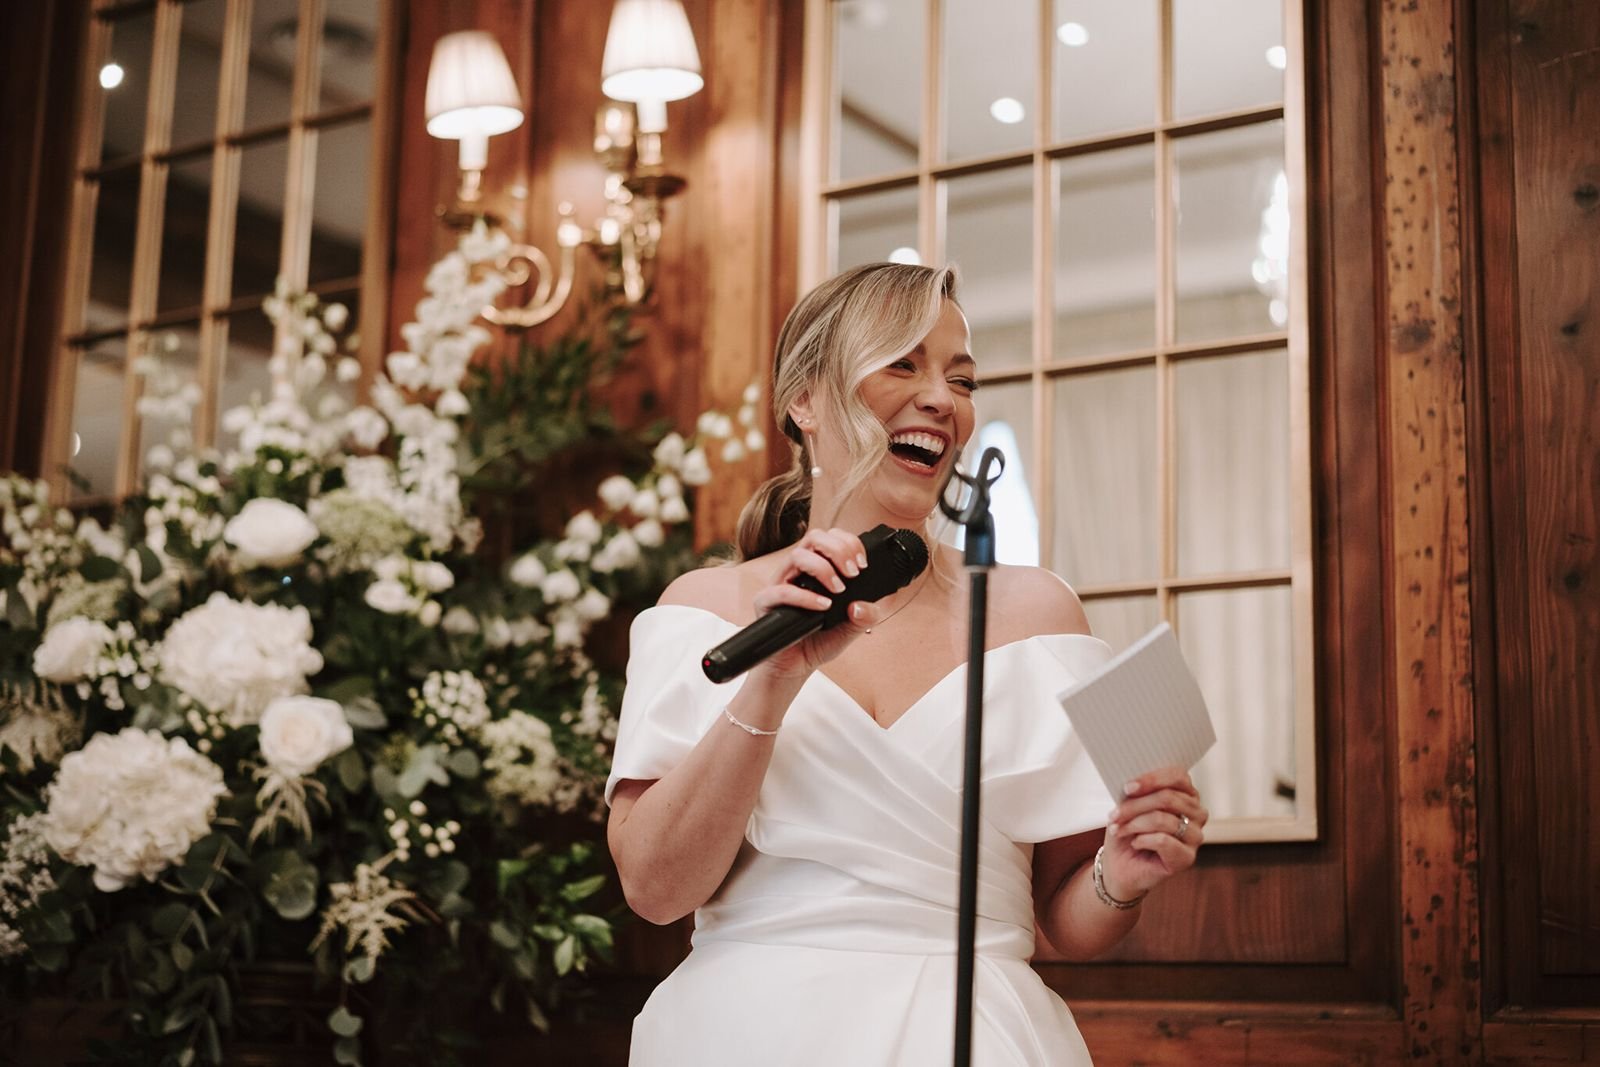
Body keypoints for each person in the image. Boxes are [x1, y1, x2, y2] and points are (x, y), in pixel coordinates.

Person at [605, 263, 1207, 1065]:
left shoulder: (1038, 612)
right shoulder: (703, 611)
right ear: (804, 400)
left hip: (980, 1034)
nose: (941, 399)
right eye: (903, 363)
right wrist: (773, 681)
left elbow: (1065, 921)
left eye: (961, 378)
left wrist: (1119, 877)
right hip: (744, 1034)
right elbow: (655, 889)